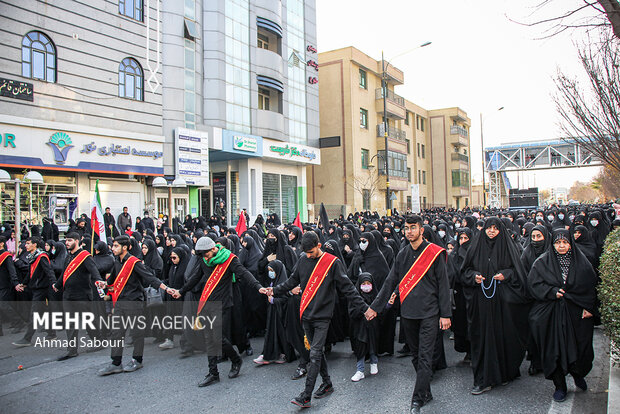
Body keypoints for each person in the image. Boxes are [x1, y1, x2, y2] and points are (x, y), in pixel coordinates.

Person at [267, 231, 369, 409]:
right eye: (306, 252)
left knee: (314, 354)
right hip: (306, 313)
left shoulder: (332, 263)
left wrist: (365, 308)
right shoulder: (302, 259)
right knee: (317, 352)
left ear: (319, 246)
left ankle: (305, 396)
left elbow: (348, 289)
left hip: (323, 316)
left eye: (311, 252)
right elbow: (291, 282)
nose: (308, 255)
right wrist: (273, 291)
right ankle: (327, 383)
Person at [365, 215, 451, 414]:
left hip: (430, 313)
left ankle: (417, 400)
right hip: (409, 314)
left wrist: (445, 315)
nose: (409, 231)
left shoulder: (434, 253)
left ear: (421, 230)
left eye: (413, 227)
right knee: (415, 355)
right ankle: (426, 391)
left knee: (425, 356)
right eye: (406, 228)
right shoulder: (402, 254)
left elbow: (443, 285)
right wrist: (374, 308)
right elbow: (389, 282)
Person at [169, 237, 269, 387]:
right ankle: (213, 373)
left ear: (213, 249)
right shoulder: (204, 260)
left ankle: (236, 359)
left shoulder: (229, 259)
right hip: (207, 302)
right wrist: (181, 291)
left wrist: (258, 286)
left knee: (217, 337)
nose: (205, 258)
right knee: (209, 337)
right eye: (202, 256)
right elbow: (195, 277)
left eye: (206, 255)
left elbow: (244, 273)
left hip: (223, 303)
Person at [461, 217, 528, 395]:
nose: (491, 231)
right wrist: (474, 276)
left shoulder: (508, 247)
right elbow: (464, 272)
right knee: (483, 339)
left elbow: (518, 272)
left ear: (500, 230)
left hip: (502, 303)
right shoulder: (475, 247)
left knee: (504, 337)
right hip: (481, 303)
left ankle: (506, 372)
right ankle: (483, 379)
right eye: (489, 228)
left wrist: (506, 274)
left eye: (495, 228)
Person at [528, 229, 597, 402]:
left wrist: (589, 307)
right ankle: (560, 385)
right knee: (555, 349)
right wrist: (551, 292)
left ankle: (578, 373)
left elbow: (590, 286)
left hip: (576, 312)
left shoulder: (582, 262)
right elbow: (534, 284)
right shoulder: (542, 263)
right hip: (552, 313)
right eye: (558, 243)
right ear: (552, 244)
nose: (561, 246)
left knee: (580, 347)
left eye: (565, 242)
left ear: (570, 244)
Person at [97, 235, 171, 376]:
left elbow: (149, 277)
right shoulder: (116, 262)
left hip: (134, 302)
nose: (113, 248)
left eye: (116, 246)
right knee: (116, 333)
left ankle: (137, 360)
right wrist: (104, 284)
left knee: (136, 333)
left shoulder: (134, 262)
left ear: (125, 247)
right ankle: (116, 363)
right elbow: (112, 280)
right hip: (119, 302)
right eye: (113, 246)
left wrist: (166, 289)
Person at [52, 233, 104, 360]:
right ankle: (72, 350)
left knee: (88, 321)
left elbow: (93, 270)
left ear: (77, 241)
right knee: (70, 323)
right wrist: (57, 285)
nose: (67, 243)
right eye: (66, 240)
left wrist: (99, 280)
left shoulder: (84, 256)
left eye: (70, 240)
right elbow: (65, 273)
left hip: (82, 295)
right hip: (68, 294)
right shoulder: (68, 257)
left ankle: (98, 341)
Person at [12, 237, 57, 346]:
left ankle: (27, 338)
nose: (25, 246)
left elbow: (49, 271)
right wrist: (24, 283)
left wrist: (54, 283)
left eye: (28, 243)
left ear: (35, 245)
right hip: (37, 288)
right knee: (42, 312)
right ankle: (51, 333)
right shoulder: (33, 257)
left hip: (42, 288)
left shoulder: (41, 257)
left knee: (34, 313)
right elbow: (30, 273)